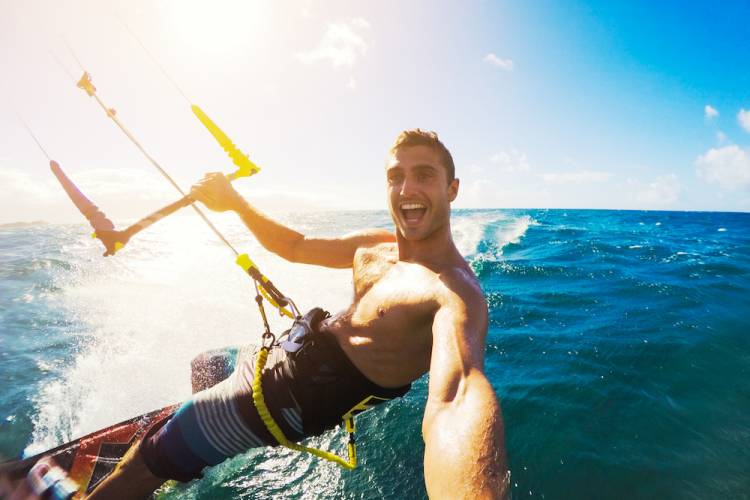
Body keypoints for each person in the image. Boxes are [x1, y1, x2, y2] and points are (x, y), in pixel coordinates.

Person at [3, 129, 508, 499]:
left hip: (282, 400)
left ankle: (159, 456)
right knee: (205, 364)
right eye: (396, 177)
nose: (406, 190)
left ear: (452, 189)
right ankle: (191, 439)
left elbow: (458, 397)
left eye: (424, 175)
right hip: (273, 360)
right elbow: (295, 244)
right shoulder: (377, 247)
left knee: (146, 461)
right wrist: (234, 202)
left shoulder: (453, 293)